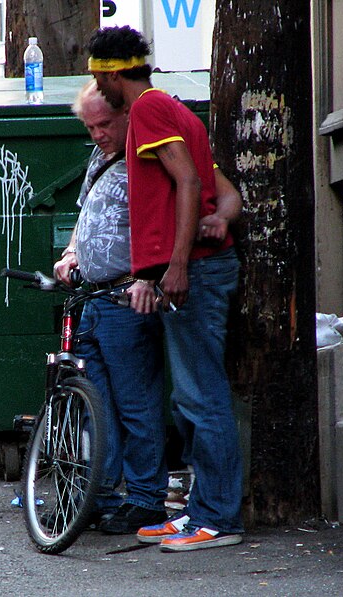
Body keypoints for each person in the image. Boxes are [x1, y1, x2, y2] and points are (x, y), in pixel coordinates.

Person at [54, 81, 243, 535]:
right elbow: (86, 216)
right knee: (105, 400)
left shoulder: (156, 151)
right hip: (95, 294)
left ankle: (160, 501)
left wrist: (156, 273)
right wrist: (72, 253)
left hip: (134, 291)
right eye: (89, 126)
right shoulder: (102, 159)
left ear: (126, 115)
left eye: (103, 124)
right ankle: (105, 494)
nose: (97, 134)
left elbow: (197, 195)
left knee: (158, 401)